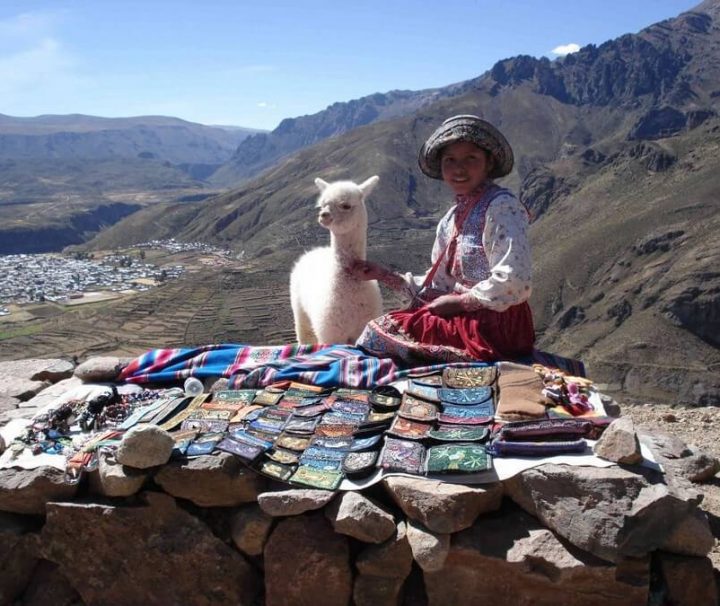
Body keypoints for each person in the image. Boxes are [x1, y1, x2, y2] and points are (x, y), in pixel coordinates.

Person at [350, 114, 535, 364]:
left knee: (380, 334)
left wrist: (461, 302)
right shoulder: (451, 219)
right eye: (450, 160)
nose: (458, 169)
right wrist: (383, 275)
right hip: (466, 316)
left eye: (470, 158)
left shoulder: (501, 207)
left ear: (488, 163)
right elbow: (439, 285)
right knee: (384, 328)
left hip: (497, 324)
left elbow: (516, 280)